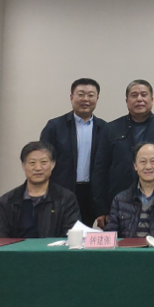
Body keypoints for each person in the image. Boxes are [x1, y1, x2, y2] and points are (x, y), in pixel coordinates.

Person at [92, 80, 154, 228]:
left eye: (144, 95)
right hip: (118, 203)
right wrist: (101, 209)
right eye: (134, 95)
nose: (139, 99)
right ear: (127, 101)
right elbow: (100, 169)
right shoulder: (111, 129)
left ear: (152, 99)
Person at [40, 78, 106, 226]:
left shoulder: (105, 129)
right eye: (81, 94)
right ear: (71, 97)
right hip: (60, 192)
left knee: (85, 235)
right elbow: (44, 161)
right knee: (58, 234)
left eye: (90, 95)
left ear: (97, 98)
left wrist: (103, 206)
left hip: (91, 195)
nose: (86, 99)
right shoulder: (54, 127)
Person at [0, 141, 80, 238]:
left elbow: (71, 236)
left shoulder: (66, 199)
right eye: (32, 163)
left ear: (53, 164)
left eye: (43, 162)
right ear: (23, 165)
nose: (38, 168)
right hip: (17, 248)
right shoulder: (7, 201)